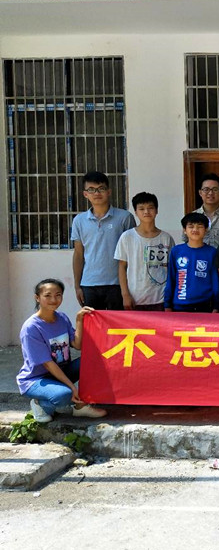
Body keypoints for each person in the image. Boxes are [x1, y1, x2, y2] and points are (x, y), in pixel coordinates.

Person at [17, 279, 106, 423]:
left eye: (58, 295)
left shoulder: (62, 318)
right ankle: (40, 405)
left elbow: (77, 345)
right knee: (65, 394)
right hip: (36, 379)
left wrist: (79, 320)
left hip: (61, 371)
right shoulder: (31, 328)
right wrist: (72, 387)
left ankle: (80, 407)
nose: (53, 300)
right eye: (47, 295)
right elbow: (48, 364)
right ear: (37, 298)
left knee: (94, 361)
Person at [71, 171, 136, 309]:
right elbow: (78, 254)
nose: (96, 193)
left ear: (109, 191)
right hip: (89, 284)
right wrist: (77, 286)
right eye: (91, 189)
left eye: (101, 188)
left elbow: (131, 254)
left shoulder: (125, 217)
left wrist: (127, 289)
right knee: (93, 322)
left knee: (117, 323)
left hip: (118, 284)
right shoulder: (79, 220)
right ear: (85, 194)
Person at [115, 192, 174, 311]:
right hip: (135, 298)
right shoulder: (127, 237)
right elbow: (122, 267)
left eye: (150, 208)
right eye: (141, 209)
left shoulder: (166, 238)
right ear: (136, 212)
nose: (146, 212)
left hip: (161, 298)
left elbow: (172, 268)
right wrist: (125, 295)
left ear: (156, 210)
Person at [164, 213, 219, 313]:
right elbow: (171, 278)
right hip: (180, 304)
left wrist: (216, 306)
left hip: (204, 305)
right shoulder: (176, 251)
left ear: (206, 229)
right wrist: (167, 304)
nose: (195, 229)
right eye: (191, 226)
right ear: (184, 230)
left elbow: (215, 280)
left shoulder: (212, 252)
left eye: (200, 226)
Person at [183, 173, 219, 248]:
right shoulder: (191, 217)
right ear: (200, 192)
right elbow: (186, 242)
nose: (211, 193)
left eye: (215, 189)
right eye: (206, 189)